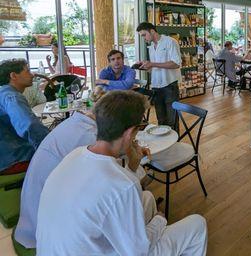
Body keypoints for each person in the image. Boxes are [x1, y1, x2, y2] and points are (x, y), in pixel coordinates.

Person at [36, 90, 207, 255]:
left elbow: (113, 194)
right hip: (120, 249)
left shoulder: (75, 154)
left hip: (56, 248)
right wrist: (159, 221)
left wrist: (133, 164)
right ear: (129, 133)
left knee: (146, 198)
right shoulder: (123, 184)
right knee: (197, 224)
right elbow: (137, 251)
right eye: (139, 127)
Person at [15, 97, 152, 249]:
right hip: (54, 226)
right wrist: (133, 166)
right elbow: (115, 186)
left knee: (142, 195)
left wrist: (129, 147)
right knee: (140, 198)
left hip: (44, 211)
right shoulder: (89, 139)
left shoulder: (76, 124)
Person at [0, 59, 49, 174]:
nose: (32, 75)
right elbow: (29, 125)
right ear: (13, 76)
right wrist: (50, 143)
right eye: (27, 71)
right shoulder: (11, 96)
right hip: (14, 157)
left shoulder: (3, 93)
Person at [136, 22, 181, 125]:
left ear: (152, 31)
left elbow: (176, 64)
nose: (144, 38)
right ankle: (163, 141)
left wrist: (153, 64)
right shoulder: (151, 46)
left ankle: (174, 141)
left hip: (169, 86)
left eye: (144, 35)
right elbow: (155, 68)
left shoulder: (170, 42)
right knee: (161, 120)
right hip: (156, 87)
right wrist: (146, 66)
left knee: (172, 120)